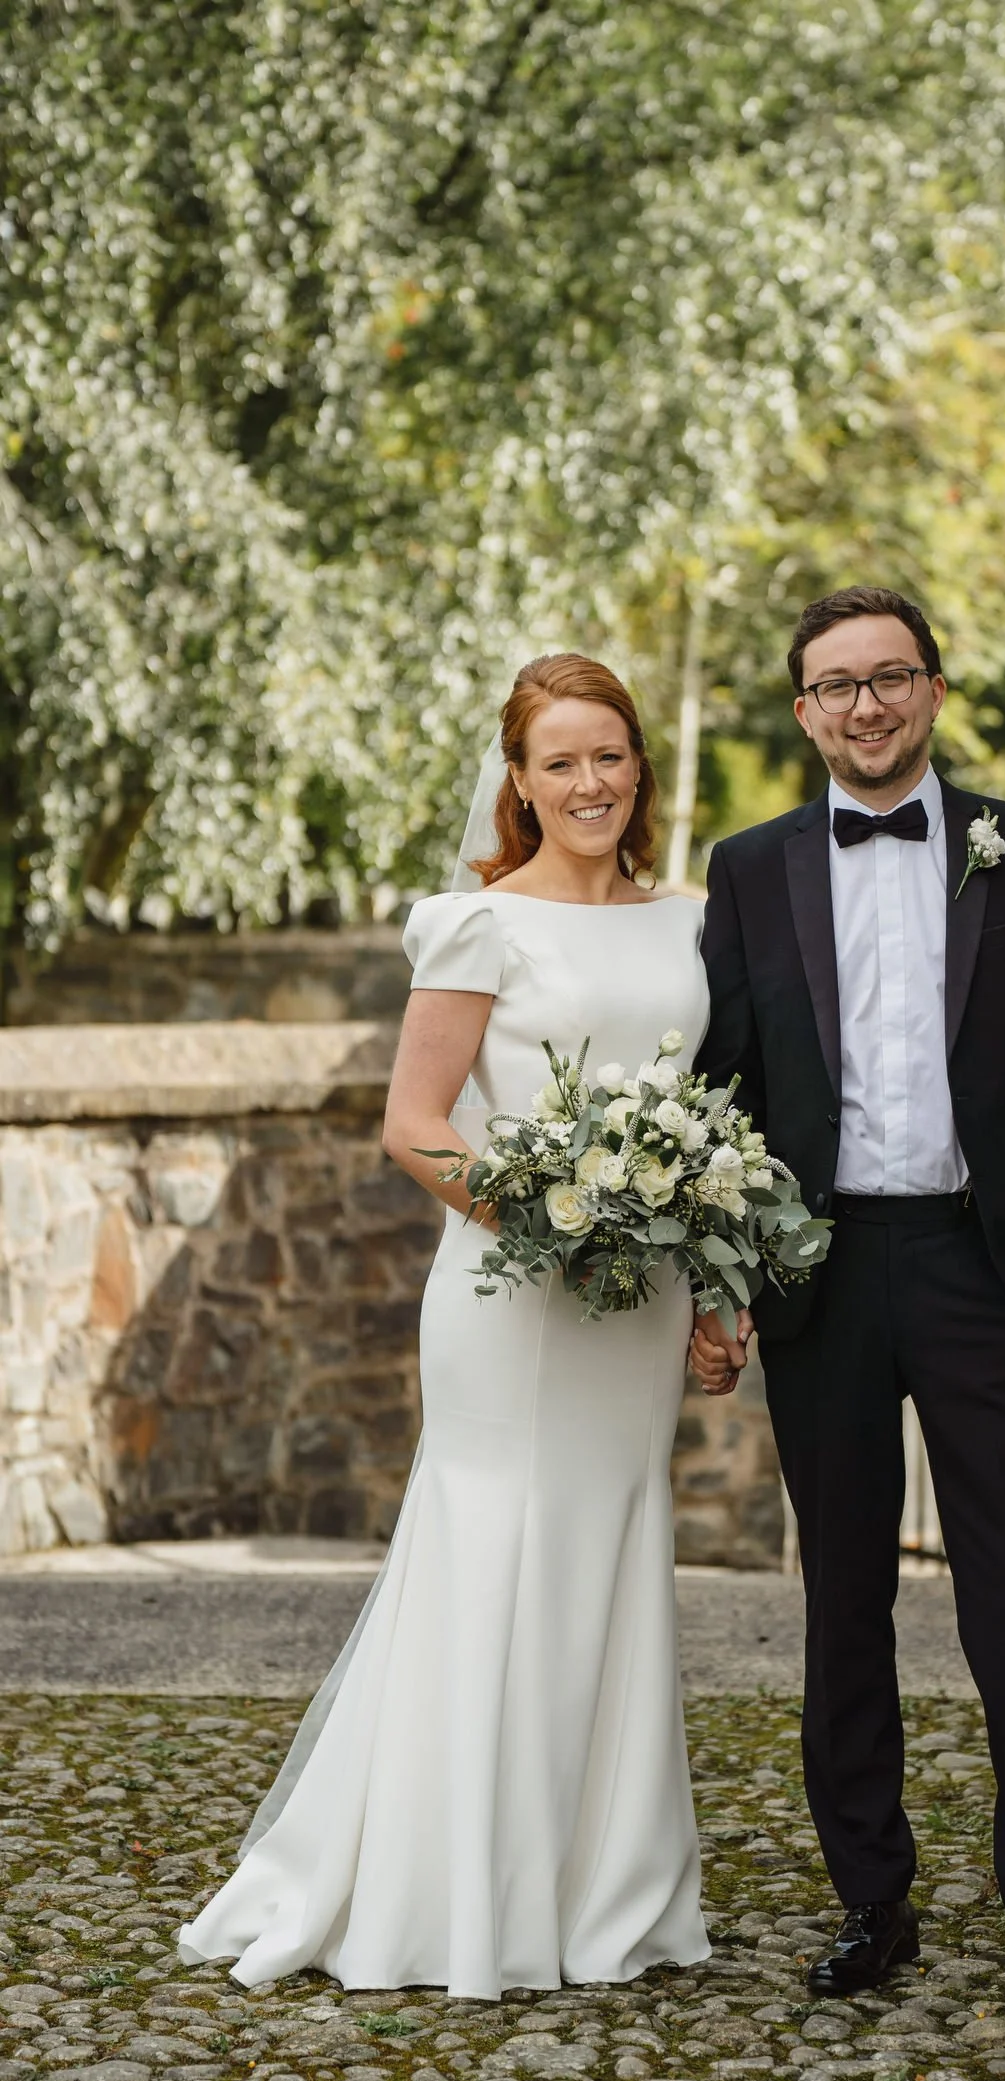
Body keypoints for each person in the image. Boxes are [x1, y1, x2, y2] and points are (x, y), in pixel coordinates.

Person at [180, 655, 711, 1996]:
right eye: (561, 763)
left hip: (638, 1305)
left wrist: (707, 1284)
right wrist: (558, 1221)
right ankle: (466, 1891)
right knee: (497, 1549)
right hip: (514, 1296)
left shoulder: (690, 921)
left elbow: (697, 1127)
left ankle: (608, 1893)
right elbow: (414, 1126)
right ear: (520, 784)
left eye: (610, 756)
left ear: (639, 766)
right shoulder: (480, 925)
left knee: (614, 1545)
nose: (590, 782)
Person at [691, 586, 1005, 2031]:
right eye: (835, 685)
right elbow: (728, 1087)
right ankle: (872, 1898)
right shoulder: (748, 870)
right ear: (803, 709)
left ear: (931, 691)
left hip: (978, 1264)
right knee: (845, 1599)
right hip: (822, 1268)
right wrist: (732, 1269)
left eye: (889, 678)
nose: (864, 706)